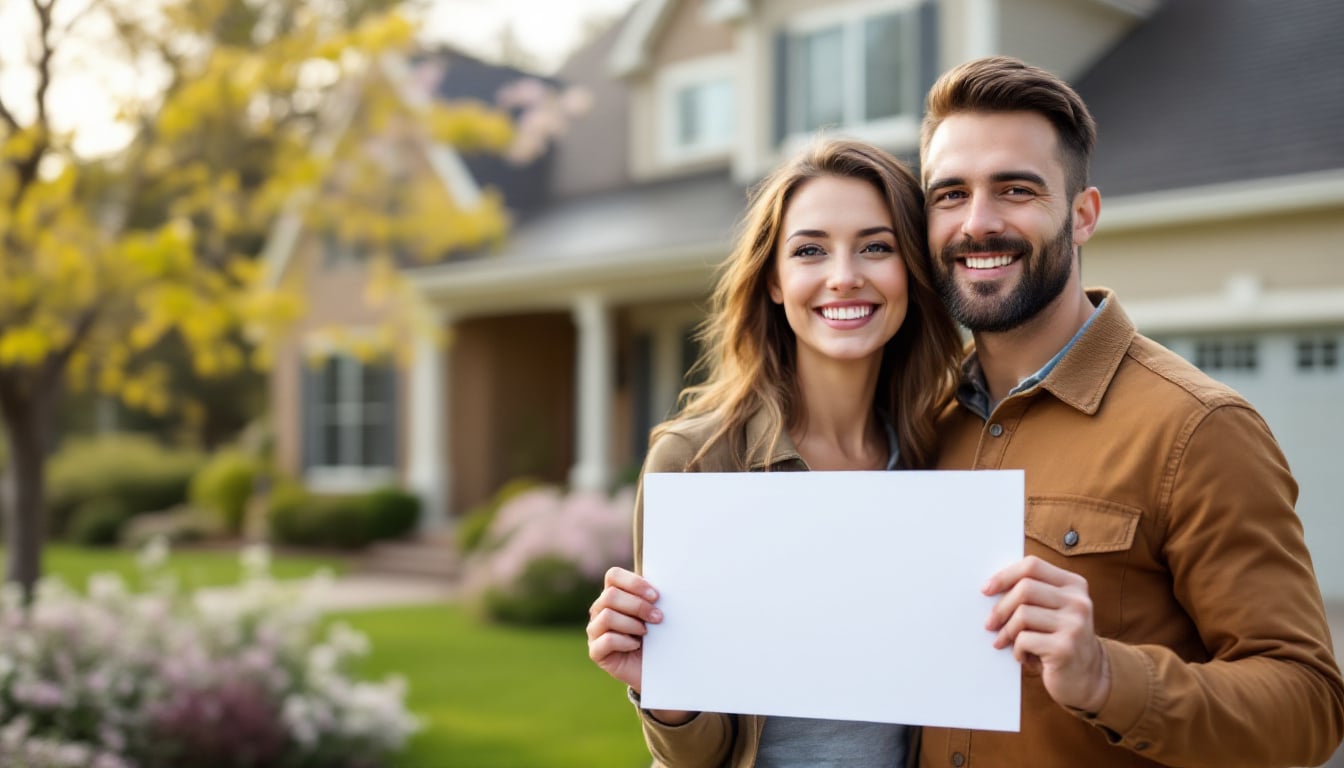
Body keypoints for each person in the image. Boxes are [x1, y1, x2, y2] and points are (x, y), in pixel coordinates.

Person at [916, 55, 1344, 768]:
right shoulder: (915, 422)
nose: (977, 223)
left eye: (1015, 189)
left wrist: (1106, 676)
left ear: (1082, 216)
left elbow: (1309, 706)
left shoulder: (1198, 429)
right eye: (950, 194)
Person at [585, 137, 964, 767]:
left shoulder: (945, 456)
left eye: (876, 245)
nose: (844, 274)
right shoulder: (696, 461)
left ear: (911, 274)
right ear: (774, 282)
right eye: (810, 250)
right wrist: (662, 688)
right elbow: (694, 758)